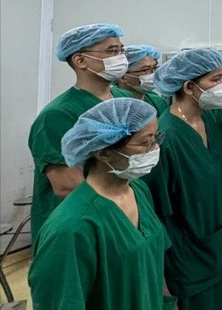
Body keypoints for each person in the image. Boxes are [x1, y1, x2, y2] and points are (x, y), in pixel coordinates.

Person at [28, 98, 170, 310]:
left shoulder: (138, 191)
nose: (155, 149)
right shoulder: (70, 229)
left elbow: (151, 263)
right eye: (145, 142)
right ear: (103, 152)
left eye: (156, 138)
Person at [144, 49, 222, 310]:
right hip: (188, 258)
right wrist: (161, 275)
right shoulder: (167, 137)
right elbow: (154, 212)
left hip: (218, 246)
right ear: (188, 86)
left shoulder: (211, 121)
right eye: (215, 80)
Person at [27, 22, 131, 242]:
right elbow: (68, 186)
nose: (121, 57)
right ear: (80, 60)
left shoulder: (126, 102)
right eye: (112, 51)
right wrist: (121, 214)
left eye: (122, 50)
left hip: (127, 212)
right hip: (83, 229)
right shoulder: (57, 116)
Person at [117, 44, 168, 114]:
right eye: (145, 70)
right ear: (122, 76)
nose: (152, 74)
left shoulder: (159, 102)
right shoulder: (114, 105)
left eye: (154, 68)